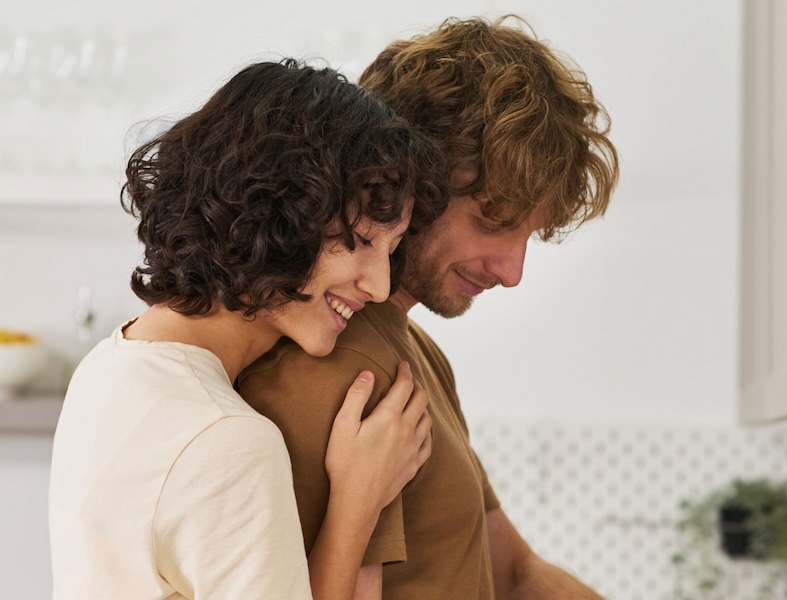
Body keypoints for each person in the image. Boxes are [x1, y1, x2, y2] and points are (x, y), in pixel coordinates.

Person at [239, 17, 619, 600]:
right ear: (408, 182)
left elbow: (516, 574)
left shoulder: (418, 354)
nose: (513, 272)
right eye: (492, 223)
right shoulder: (340, 366)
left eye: (529, 237)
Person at [48, 59, 448, 600]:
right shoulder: (228, 442)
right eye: (362, 240)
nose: (380, 285)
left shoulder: (106, 366)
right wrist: (358, 502)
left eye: (392, 249)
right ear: (282, 213)